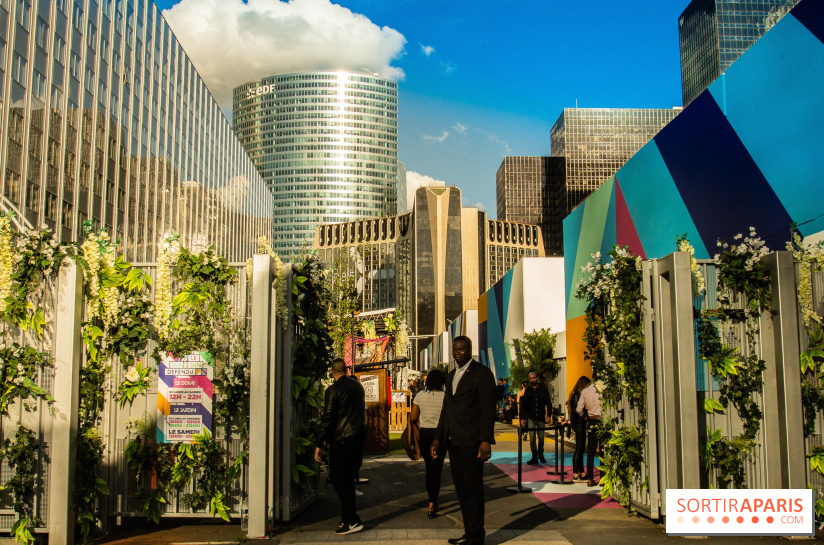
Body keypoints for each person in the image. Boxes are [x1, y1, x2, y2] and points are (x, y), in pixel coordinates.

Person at [432, 336, 496, 545]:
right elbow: (446, 410)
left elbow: (488, 409)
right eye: (455, 349)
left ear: (469, 350)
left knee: (473, 489)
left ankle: (477, 537)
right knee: (461, 489)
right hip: (454, 441)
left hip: (472, 442)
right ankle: (469, 533)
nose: (458, 352)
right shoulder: (450, 376)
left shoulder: (481, 373)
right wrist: (437, 438)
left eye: (462, 349)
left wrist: (485, 440)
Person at [314, 358, 366, 535]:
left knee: (337, 478)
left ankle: (352, 519)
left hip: (341, 438)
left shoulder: (333, 390)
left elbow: (328, 418)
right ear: (345, 369)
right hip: (357, 437)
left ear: (331, 372)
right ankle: (347, 516)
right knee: (347, 479)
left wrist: (319, 442)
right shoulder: (357, 386)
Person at [409, 369, 447, 518]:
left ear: (427, 381)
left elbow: (413, 417)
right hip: (441, 435)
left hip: (425, 433)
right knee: (437, 469)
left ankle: (431, 500)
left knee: (429, 467)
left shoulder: (420, 396)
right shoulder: (446, 397)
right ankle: (433, 501)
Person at [518, 372, 552, 465]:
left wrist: (548, 415)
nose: (532, 380)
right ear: (529, 380)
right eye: (530, 378)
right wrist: (522, 418)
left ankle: (541, 454)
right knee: (532, 438)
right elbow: (523, 406)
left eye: (534, 378)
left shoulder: (543, 390)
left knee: (541, 438)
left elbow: (549, 403)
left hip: (541, 417)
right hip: (531, 418)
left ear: (537, 378)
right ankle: (534, 456)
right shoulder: (527, 391)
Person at [576, 378, 602, 487]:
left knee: (591, 449)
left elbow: (579, 409)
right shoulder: (603, 389)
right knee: (603, 449)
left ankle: (590, 478)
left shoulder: (585, 391)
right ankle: (604, 477)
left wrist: (585, 415)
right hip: (602, 418)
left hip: (591, 418)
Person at [567, 376, 591, 481]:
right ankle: (576, 471)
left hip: (576, 423)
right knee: (579, 448)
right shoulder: (577, 395)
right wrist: (585, 415)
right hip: (579, 423)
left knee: (580, 448)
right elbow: (578, 410)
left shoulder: (573, 394)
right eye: (587, 385)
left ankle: (580, 471)